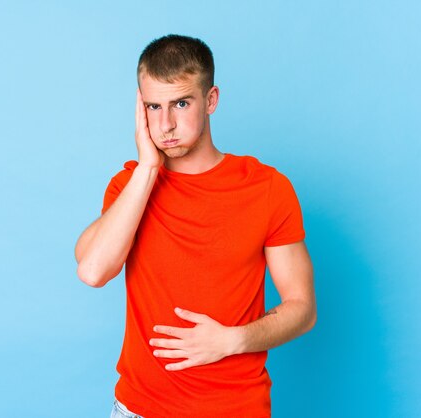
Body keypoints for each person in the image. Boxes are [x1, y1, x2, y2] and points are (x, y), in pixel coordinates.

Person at [75, 34, 317, 418]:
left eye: (181, 103)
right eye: (154, 106)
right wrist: (148, 168)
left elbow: (302, 308)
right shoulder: (130, 186)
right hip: (138, 409)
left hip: (234, 409)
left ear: (211, 100)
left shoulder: (267, 188)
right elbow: (92, 270)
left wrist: (231, 340)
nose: (166, 124)